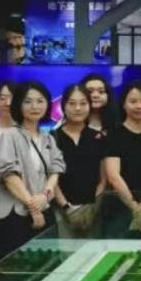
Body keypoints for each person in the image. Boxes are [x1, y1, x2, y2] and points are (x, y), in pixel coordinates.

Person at [0, 81, 65, 260]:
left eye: (40, 101)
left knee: (47, 267)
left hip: (44, 210)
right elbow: (9, 176)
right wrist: (33, 207)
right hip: (16, 215)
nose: (34, 106)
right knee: (17, 268)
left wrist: (44, 196)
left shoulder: (48, 138)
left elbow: (56, 170)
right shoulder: (10, 135)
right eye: (28, 101)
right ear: (18, 104)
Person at [103, 82, 141, 238]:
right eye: (133, 101)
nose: (139, 106)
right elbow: (113, 176)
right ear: (124, 105)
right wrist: (134, 207)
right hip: (119, 206)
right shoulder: (114, 135)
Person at [52, 85, 107, 237]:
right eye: (72, 103)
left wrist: (91, 207)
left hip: (93, 211)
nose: (78, 108)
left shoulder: (98, 137)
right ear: (63, 106)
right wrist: (66, 207)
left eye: (83, 103)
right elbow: (51, 178)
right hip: (62, 211)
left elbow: (103, 180)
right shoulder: (52, 138)